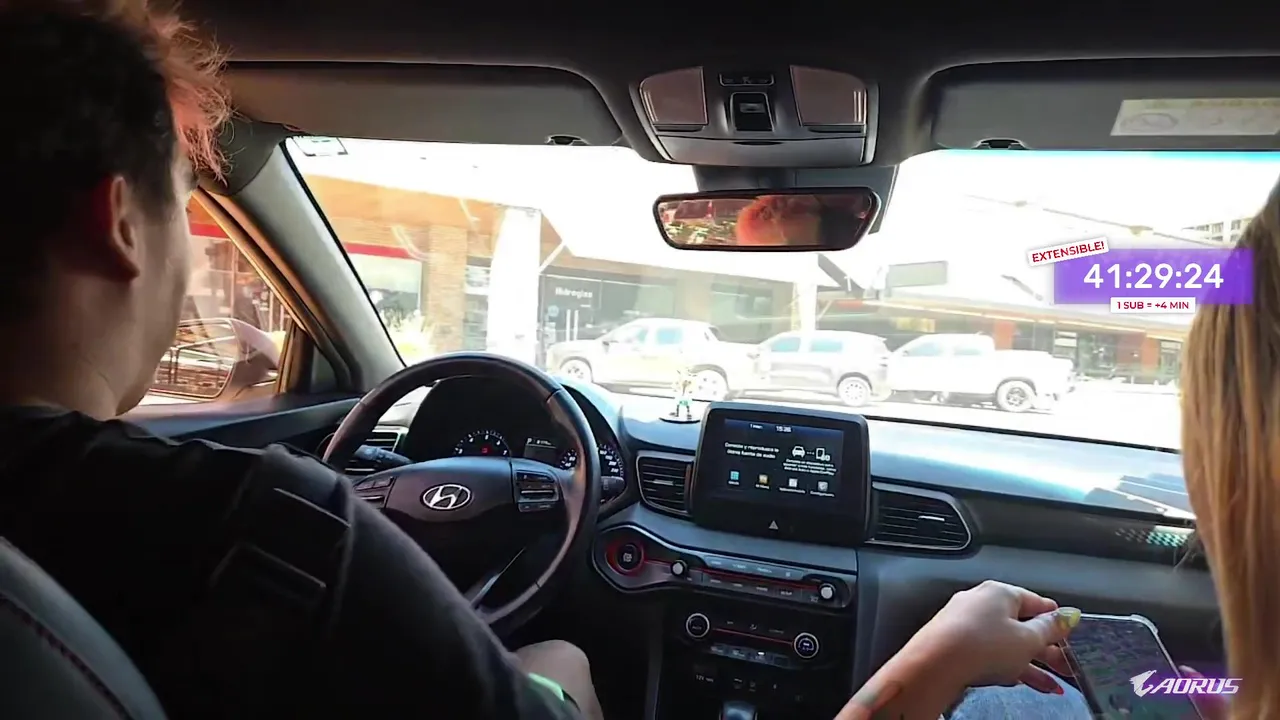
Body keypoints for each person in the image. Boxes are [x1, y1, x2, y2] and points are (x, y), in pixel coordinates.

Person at [0, 2, 600, 719]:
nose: (194, 258)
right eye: (186, 210)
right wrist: (556, 677)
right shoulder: (273, 530)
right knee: (562, 660)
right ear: (121, 223)